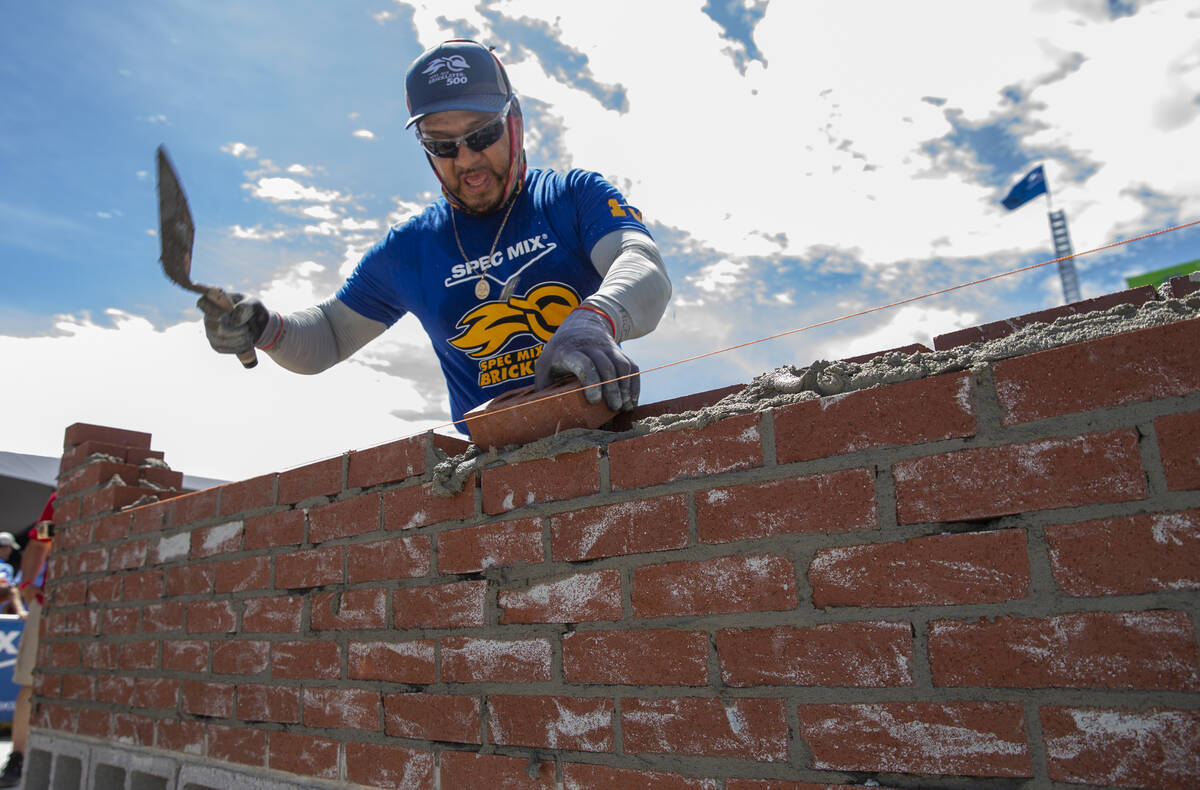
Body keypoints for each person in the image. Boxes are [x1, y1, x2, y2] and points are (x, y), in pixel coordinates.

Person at [199, 39, 671, 433]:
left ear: (515, 123)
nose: (466, 160)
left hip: (604, 450)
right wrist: (263, 326)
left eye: (482, 134)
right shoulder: (410, 248)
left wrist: (595, 319)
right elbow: (328, 336)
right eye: (442, 145)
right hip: (492, 477)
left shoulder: (571, 196)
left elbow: (641, 262)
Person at [0, 494, 52, 787]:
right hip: (48, 604)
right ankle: (18, 756)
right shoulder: (62, 499)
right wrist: (29, 586)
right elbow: (41, 541)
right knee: (30, 682)